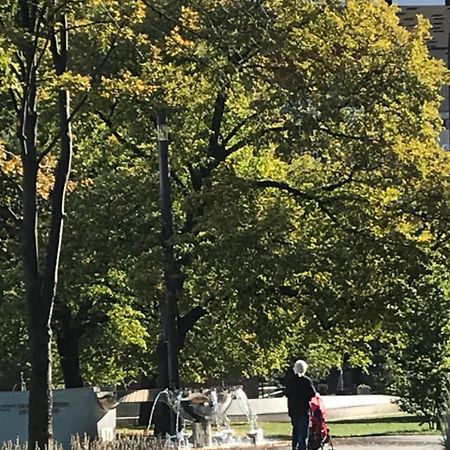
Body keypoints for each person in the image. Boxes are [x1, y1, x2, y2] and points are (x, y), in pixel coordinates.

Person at [284, 359, 316, 450]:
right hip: (304, 409)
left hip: (293, 409)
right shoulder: (306, 381)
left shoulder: (290, 381)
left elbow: (287, 393)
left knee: (296, 430)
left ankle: (295, 447)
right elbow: (312, 393)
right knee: (303, 432)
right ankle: (302, 448)